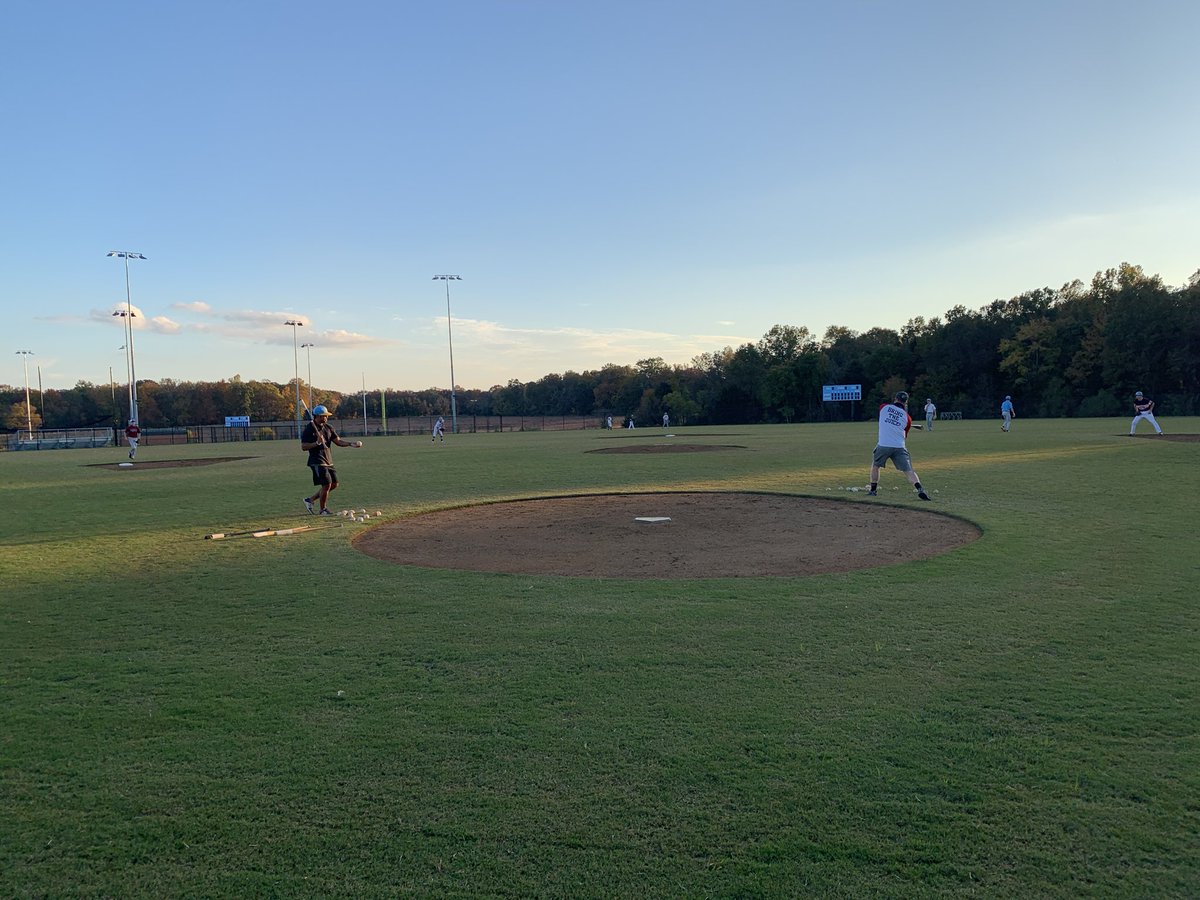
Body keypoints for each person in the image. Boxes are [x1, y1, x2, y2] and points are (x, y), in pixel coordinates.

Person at [868, 391, 930, 501]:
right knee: (909, 471)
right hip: (899, 446)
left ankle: (873, 490)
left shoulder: (884, 407)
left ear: (895, 399)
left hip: (884, 445)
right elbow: (904, 434)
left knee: (876, 466)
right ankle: (920, 489)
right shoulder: (908, 418)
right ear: (906, 403)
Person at [301, 405, 362, 515]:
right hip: (317, 461)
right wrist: (317, 443)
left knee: (334, 484)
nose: (326, 418)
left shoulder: (328, 427)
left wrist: (350, 444)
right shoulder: (309, 429)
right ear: (317, 416)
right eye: (323, 416)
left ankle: (310, 500)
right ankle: (323, 510)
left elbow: (338, 441)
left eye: (326, 416)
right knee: (327, 484)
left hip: (328, 460)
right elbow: (304, 447)